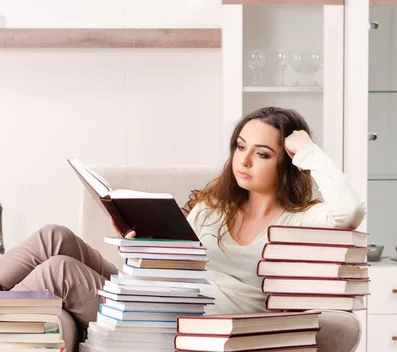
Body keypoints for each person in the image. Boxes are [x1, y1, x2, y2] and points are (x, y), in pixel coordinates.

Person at [0, 106, 366, 327]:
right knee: (54, 237)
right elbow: (169, 269)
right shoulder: (214, 208)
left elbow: (349, 211)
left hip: (189, 321)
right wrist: (138, 242)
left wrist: (310, 151)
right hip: (162, 295)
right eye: (240, 147)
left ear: (288, 163)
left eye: (263, 153)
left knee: (60, 270)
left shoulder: (300, 220)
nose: (244, 161)